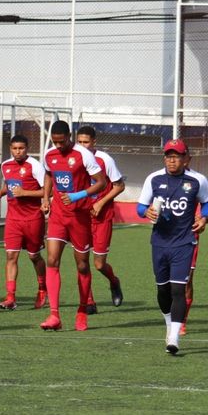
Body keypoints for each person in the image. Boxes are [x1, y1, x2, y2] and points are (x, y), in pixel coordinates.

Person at [137, 139, 208, 355]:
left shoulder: (197, 180)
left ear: (186, 159)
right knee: (163, 291)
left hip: (184, 242)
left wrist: (204, 218)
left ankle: (174, 337)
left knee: (178, 289)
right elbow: (140, 207)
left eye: (176, 157)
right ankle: (169, 324)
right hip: (159, 242)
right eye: (168, 156)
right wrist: (146, 212)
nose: (172, 160)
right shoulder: (154, 178)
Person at [39, 120, 106, 331]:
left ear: (69, 136)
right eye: (55, 142)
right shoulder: (49, 155)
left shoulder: (83, 155)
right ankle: (54, 315)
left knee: (82, 265)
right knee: (52, 260)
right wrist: (45, 198)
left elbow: (101, 182)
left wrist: (78, 195)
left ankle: (82, 310)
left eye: (62, 141)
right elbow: (49, 174)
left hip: (79, 217)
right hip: (58, 216)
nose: (58, 146)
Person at [0, 134, 48, 310]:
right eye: (15, 148)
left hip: (33, 219)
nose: (18, 152)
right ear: (10, 149)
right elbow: (10, 185)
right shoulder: (5, 165)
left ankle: (42, 289)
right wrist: (1, 192)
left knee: (34, 256)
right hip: (13, 219)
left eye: (21, 148)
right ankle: (10, 298)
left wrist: (25, 193)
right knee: (11, 256)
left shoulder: (35, 166)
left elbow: (48, 191)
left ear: (27, 149)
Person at [75, 125, 126, 312]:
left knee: (99, 264)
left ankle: (114, 281)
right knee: (82, 262)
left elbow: (119, 185)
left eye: (86, 142)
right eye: (79, 142)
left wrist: (101, 203)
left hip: (102, 218)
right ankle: (88, 301)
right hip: (80, 218)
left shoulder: (105, 159)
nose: (82, 145)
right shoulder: (73, 160)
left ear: (94, 142)